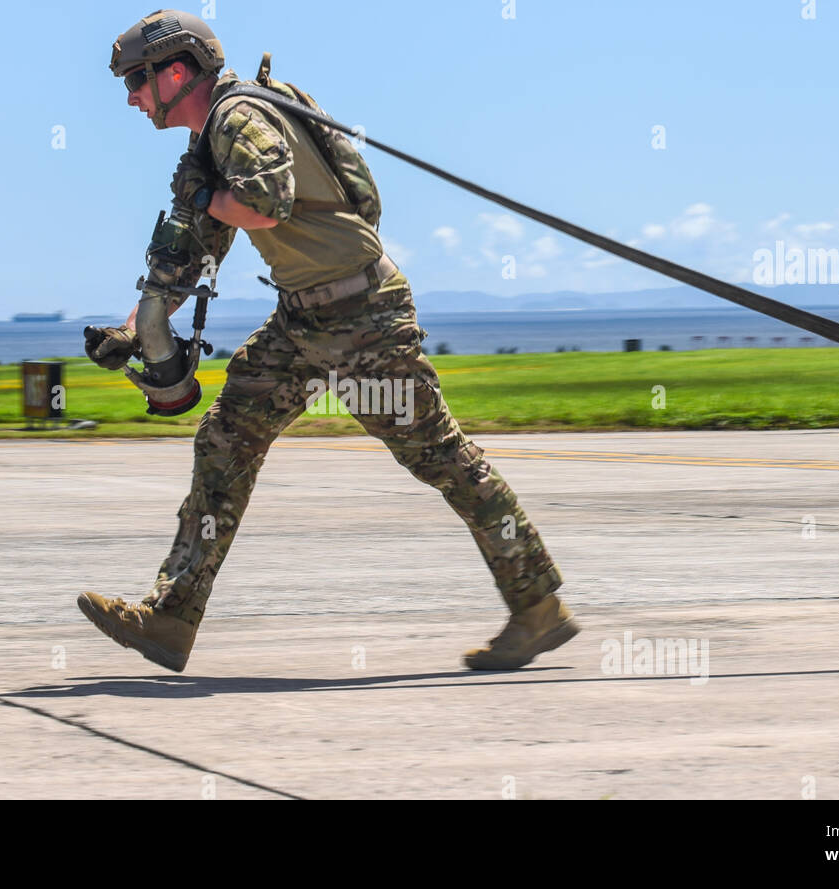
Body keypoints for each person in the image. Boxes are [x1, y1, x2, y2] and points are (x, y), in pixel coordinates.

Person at [77, 9, 579, 672]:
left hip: (364, 317)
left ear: (176, 71)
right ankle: (171, 618)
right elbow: (195, 253)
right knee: (226, 439)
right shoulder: (210, 144)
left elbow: (266, 203)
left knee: (442, 459)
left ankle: (538, 604)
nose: (131, 98)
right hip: (305, 320)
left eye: (136, 81)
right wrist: (135, 327)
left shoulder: (236, 121)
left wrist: (205, 201)